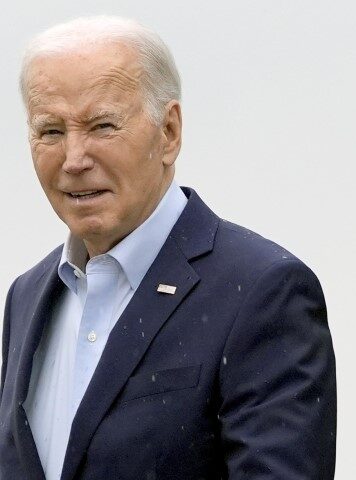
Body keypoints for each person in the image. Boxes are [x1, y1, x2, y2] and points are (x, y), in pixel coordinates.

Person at [0, 16, 336, 480]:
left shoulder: (261, 290)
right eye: (51, 132)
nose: (74, 159)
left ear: (170, 132)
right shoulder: (27, 296)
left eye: (102, 126)